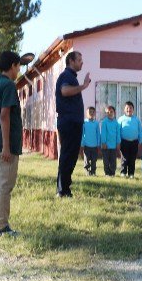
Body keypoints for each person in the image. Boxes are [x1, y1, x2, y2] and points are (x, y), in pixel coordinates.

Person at [0, 51, 23, 236]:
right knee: (5, 185)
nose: (19, 70)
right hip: (4, 142)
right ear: (12, 66)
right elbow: (4, 115)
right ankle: (0, 227)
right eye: (18, 66)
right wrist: (6, 147)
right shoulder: (8, 85)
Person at [55, 51, 91, 197]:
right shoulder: (66, 76)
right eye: (79, 60)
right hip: (69, 123)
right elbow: (64, 91)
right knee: (67, 155)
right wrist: (83, 86)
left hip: (74, 123)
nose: (82, 62)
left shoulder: (71, 77)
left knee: (70, 156)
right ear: (71, 61)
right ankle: (62, 190)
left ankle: (65, 189)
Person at [118, 101, 142, 178]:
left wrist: (140, 140)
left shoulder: (137, 120)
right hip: (124, 141)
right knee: (124, 158)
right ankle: (123, 172)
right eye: (127, 108)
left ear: (133, 109)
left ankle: (131, 173)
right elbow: (118, 131)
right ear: (124, 110)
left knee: (132, 158)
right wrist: (118, 141)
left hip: (134, 142)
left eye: (131, 108)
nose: (129, 110)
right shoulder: (121, 119)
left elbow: (140, 130)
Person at [100, 106, 120, 176]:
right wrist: (104, 142)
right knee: (106, 161)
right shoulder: (104, 122)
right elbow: (103, 133)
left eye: (111, 111)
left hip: (113, 146)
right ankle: (107, 173)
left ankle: (112, 173)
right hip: (106, 146)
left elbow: (118, 134)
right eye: (107, 112)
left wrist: (118, 143)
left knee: (113, 161)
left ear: (114, 113)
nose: (109, 113)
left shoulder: (116, 123)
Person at [81, 106, 100, 176]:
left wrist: (98, 143)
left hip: (94, 145)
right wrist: (82, 143)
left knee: (94, 160)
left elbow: (98, 134)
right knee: (87, 160)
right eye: (90, 112)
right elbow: (82, 133)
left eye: (93, 112)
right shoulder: (84, 123)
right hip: (86, 145)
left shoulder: (96, 123)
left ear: (95, 114)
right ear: (86, 113)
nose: (91, 113)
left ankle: (93, 171)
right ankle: (87, 171)